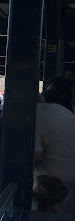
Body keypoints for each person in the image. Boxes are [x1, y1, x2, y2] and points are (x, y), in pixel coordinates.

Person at [34, 76, 75, 212]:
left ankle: (27, 214)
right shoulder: (66, 113)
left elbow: (33, 157)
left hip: (60, 182)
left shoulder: (39, 114)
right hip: (69, 180)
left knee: (18, 170)